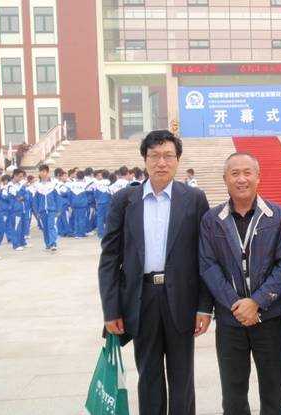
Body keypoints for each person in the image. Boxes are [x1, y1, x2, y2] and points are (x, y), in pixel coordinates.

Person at [99, 130, 213, 415]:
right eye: (154, 156)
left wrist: (204, 307)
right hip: (141, 297)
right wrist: (111, 309)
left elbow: (206, 256)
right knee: (148, 374)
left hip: (182, 298)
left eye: (168, 156)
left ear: (178, 160)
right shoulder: (125, 200)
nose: (161, 162)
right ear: (145, 159)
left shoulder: (194, 199)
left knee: (182, 376)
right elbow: (110, 257)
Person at [199, 153, 281, 415]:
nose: (241, 179)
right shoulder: (211, 219)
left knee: (272, 395)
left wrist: (257, 302)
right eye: (235, 173)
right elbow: (208, 266)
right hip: (230, 321)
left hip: (270, 318)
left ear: (258, 177)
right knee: (233, 396)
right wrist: (236, 304)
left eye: (247, 172)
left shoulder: (277, 216)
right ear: (225, 179)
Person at [34, 164, 61, 251]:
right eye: (41, 171)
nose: (42, 173)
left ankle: (53, 243)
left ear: (47, 172)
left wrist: (58, 209)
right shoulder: (37, 185)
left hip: (51, 209)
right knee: (45, 228)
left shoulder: (53, 184)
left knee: (51, 226)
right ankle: (48, 244)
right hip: (42, 210)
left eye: (44, 171)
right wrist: (36, 211)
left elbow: (58, 198)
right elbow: (35, 200)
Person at [4, 168, 28, 251]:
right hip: (15, 209)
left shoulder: (19, 185)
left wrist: (22, 196)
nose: (21, 178)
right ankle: (16, 244)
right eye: (20, 176)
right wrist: (22, 190)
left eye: (22, 177)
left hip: (22, 208)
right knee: (16, 227)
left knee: (23, 227)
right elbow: (17, 196)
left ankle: (22, 242)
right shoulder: (10, 186)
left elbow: (25, 196)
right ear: (15, 175)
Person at [68, 171, 90, 238]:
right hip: (82, 204)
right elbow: (89, 194)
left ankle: (76, 233)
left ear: (76, 176)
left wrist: (70, 204)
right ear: (83, 177)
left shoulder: (72, 184)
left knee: (76, 218)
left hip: (74, 203)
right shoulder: (85, 184)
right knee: (82, 218)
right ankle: (81, 233)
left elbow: (69, 195)